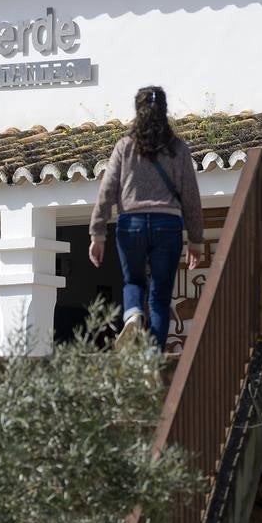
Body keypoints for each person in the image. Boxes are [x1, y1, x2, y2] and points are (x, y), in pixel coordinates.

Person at [88, 86, 204, 349]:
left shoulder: (124, 147)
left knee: (133, 281)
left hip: (131, 224)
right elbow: (191, 196)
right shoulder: (178, 149)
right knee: (161, 297)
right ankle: (153, 358)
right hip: (168, 225)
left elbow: (107, 189)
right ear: (164, 111)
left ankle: (132, 316)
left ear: (137, 111)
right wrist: (195, 240)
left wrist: (98, 234)